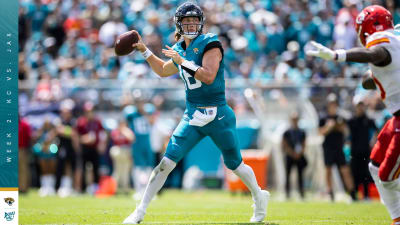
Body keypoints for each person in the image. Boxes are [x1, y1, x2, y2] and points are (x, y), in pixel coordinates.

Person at [122, 2, 269, 224]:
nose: (190, 25)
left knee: (235, 165)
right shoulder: (180, 48)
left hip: (218, 114)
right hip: (192, 115)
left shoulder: (210, 43)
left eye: (194, 20)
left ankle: (259, 196)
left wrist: (183, 62)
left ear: (201, 23)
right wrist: (144, 51)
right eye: (186, 21)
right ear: (178, 24)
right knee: (166, 163)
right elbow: (163, 70)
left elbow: (208, 76)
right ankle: (139, 211)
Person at [307, 5, 400, 225]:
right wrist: (370, 78)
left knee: (387, 175)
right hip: (396, 116)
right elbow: (377, 72)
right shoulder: (395, 37)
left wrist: (337, 55)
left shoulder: (381, 43)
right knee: (375, 167)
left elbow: (376, 54)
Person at [318, 94, 355, 201]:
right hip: (328, 148)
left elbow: (345, 130)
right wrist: (329, 127)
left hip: (339, 147)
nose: (332, 106)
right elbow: (320, 132)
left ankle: (352, 193)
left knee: (345, 170)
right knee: (328, 170)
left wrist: (336, 126)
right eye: (331, 104)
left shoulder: (341, 117)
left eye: (334, 104)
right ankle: (330, 192)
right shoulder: (323, 117)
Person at [347, 100, 377, 200]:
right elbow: (346, 132)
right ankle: (354, 196)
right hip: (354, 151)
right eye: (359, 106)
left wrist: (373, 142)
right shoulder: (352, 120)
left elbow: (376, 131)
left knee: (365, 174)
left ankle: (366, 195)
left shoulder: (368, 120)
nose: (360, 109)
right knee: (354, 173)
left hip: (365, 151)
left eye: (362, 106)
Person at [281, 112, 307, 199]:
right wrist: (292, 153)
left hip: (299, 156)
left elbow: (304, 144)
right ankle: (287, 193)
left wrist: (299, 153)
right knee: (288, 175)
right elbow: (284, 144)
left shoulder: (302, 132)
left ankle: (301, 192)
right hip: (289, 156)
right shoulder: (287, 132)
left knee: (300, 175)